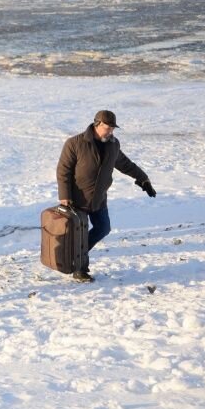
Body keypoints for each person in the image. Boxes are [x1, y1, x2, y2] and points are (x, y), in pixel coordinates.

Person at [57, 110, 156, 282]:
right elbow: (63, 171)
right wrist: (65, 195)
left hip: (99, 198)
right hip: (77, 199)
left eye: (112, 128)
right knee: (79, 234)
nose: (110, 131)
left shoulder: (113, 145)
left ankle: (75, 255)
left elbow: (126, 164)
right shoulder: (75, 143)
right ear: (97, 124)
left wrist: (143, 178)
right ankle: (80, 269)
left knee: (103, 228)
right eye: (107, 128)